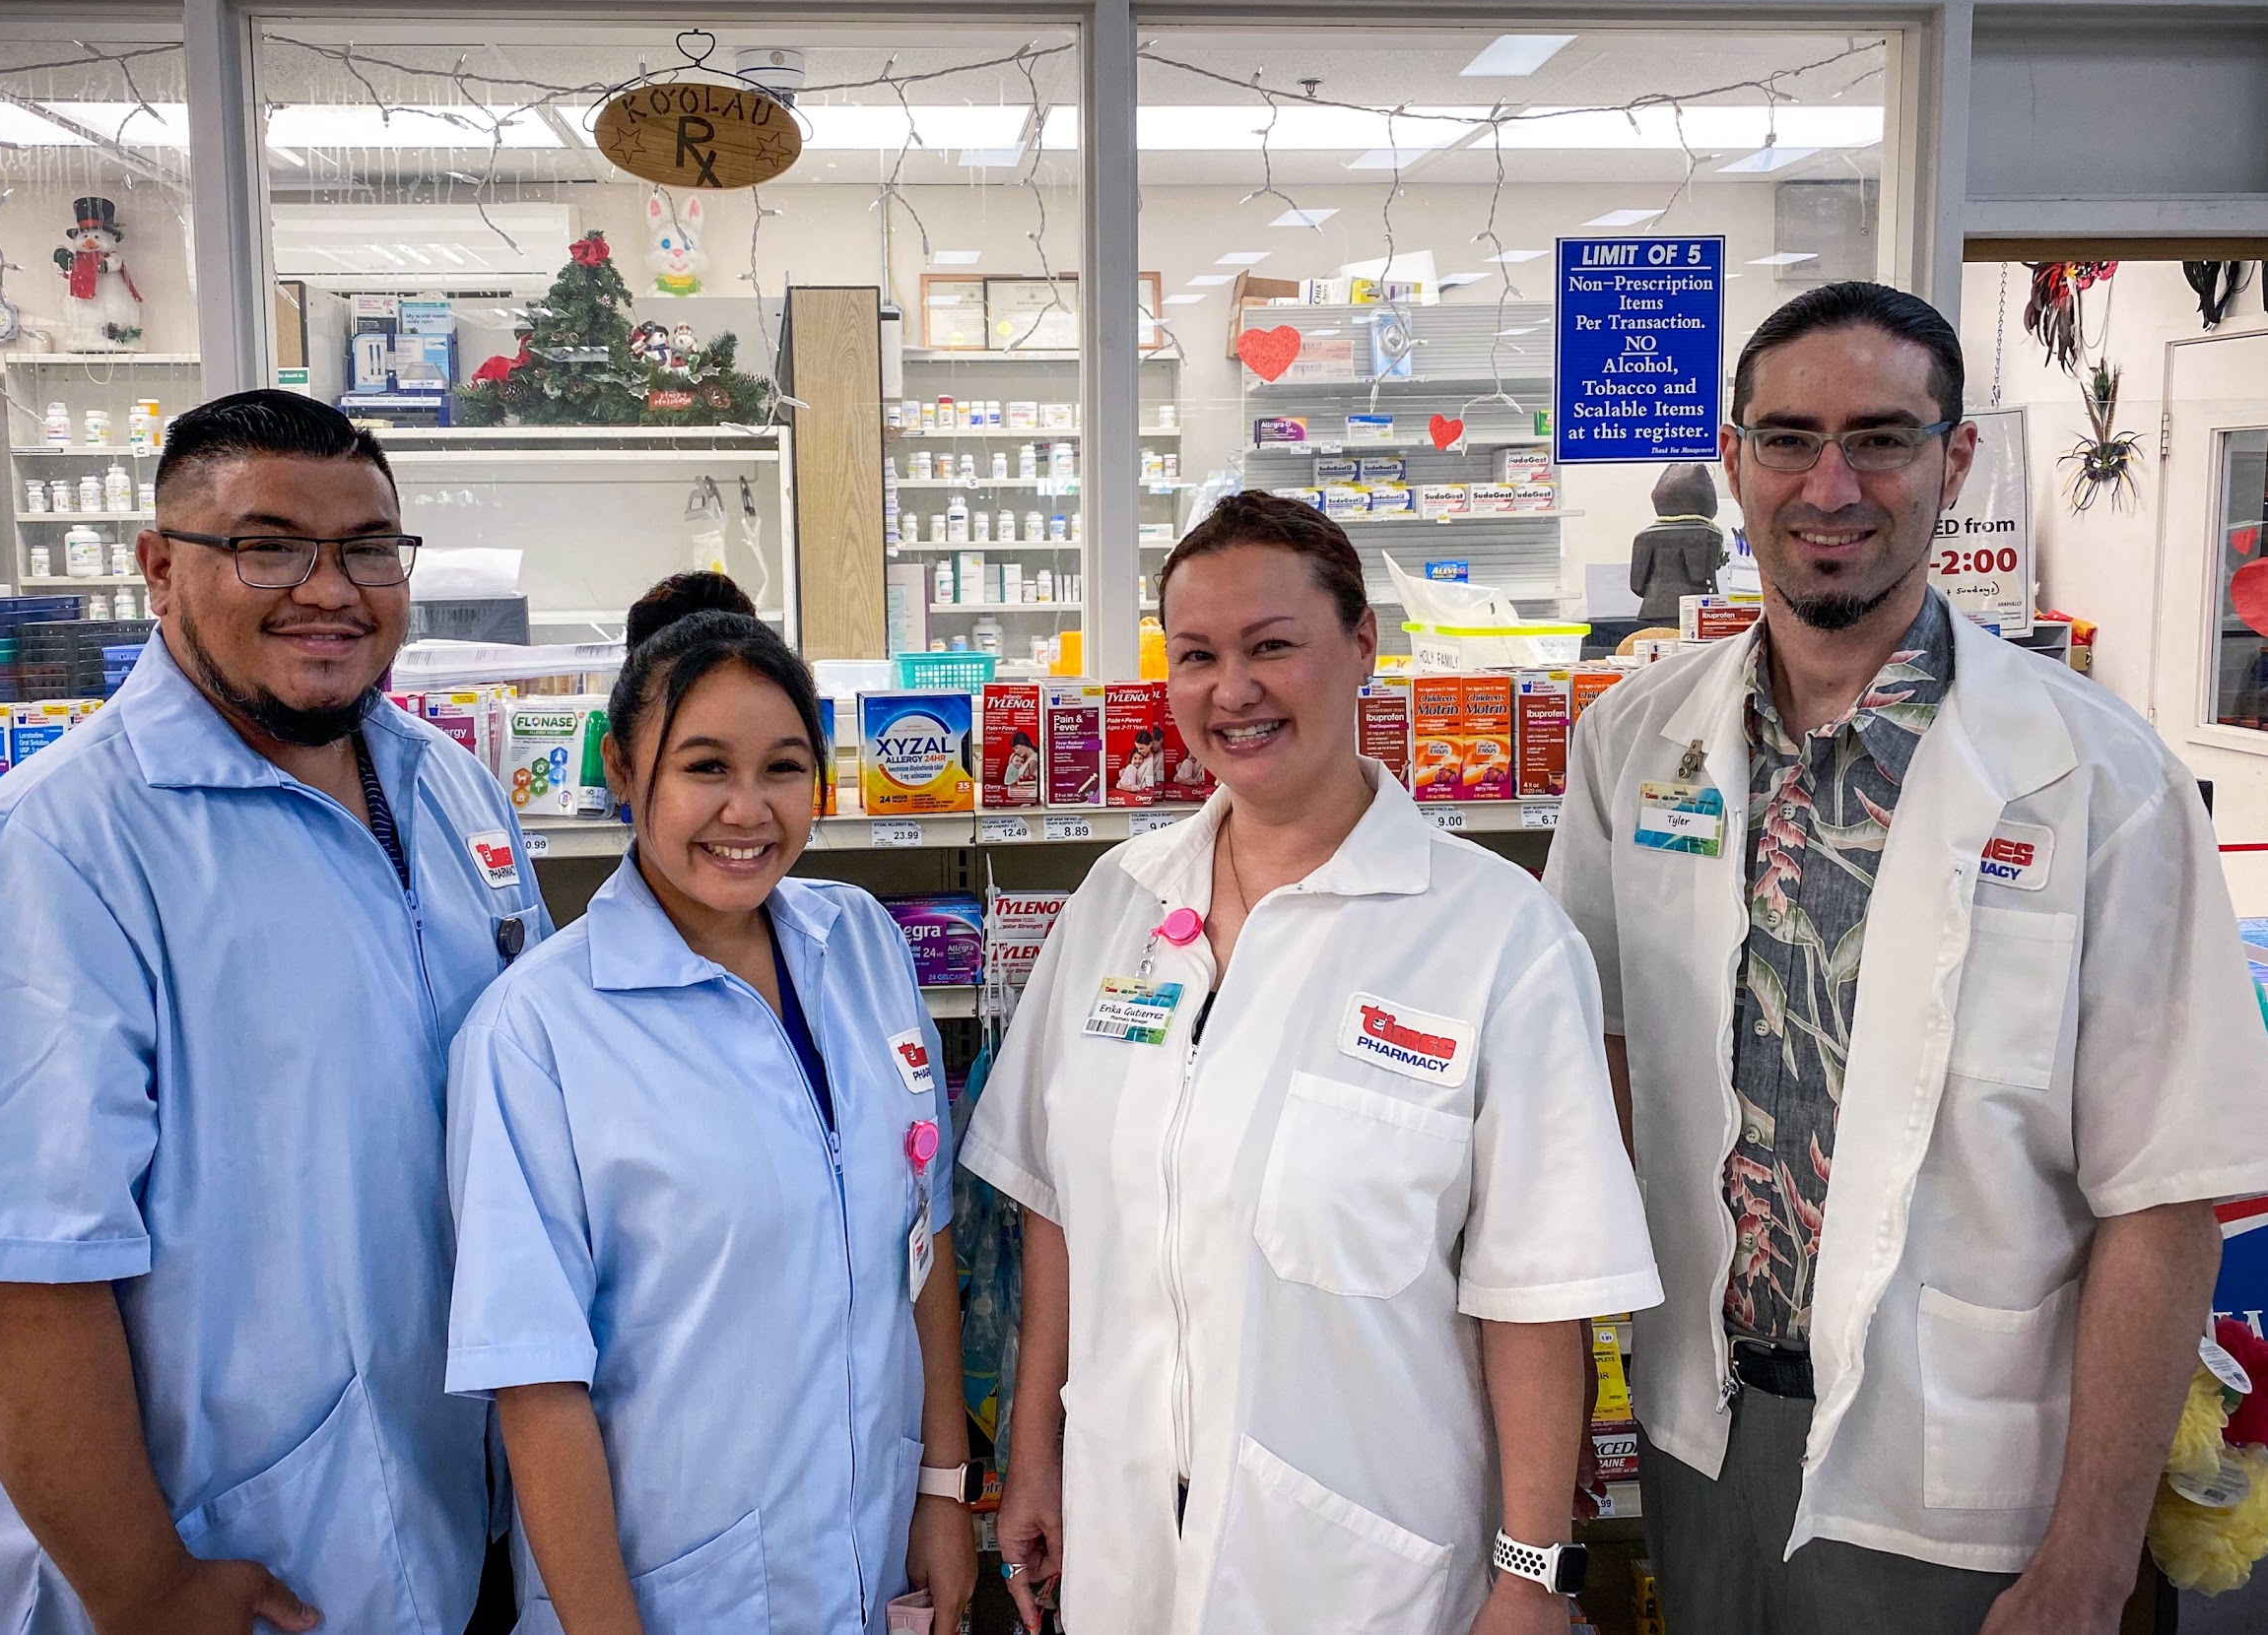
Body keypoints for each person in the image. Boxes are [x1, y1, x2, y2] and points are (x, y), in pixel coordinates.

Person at [1546, 281, 2268, 1634]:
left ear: (1956, 457)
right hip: (1702, 1425)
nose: (1830, 484)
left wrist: (2090, 1558)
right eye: (1788, 438)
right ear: (1734, 455)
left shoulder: (2096, 774)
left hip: (1972, 1468)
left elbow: (2167, 1194)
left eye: (1880, 436)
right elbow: (1601, 1070)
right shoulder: (1635, 744)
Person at [0, 389, 551, 1635]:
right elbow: (19, 1278)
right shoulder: (51, 856)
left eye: (367, 548)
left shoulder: (448, 789)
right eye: (268, 544)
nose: (330, 588)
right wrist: (145, 1588)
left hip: (442, 1508)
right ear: (158, 570)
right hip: (203, 1555)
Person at [966, 491, 1661, 1635]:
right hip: (1124, 1533)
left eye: (1271, 647)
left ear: (1361, 649)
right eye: (1196, 656)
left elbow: (1534, 1295)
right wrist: (1033, 1453)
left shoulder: (1494, 935)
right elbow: (1056, 1206)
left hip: (1359, 1558)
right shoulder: (1116, 904)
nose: (1230, 690)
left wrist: (1530, 1575)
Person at [442, 571, 979, 1635]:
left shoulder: (860, 941)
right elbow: (533, 1385)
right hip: (670, 1586)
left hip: (874, 1555)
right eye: (704, 768)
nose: (749, 810)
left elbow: (923, 1234)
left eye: (784, 768)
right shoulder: (538, 1031)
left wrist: (944, 1490)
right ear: (624, 773)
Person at [1627, 462, 1726, 625]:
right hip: (1701, 613)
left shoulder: (1643, 537)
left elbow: (1637, 586)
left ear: (1655, 496)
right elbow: (1700, 576)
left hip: (1652, 612)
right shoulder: (1709, 535)